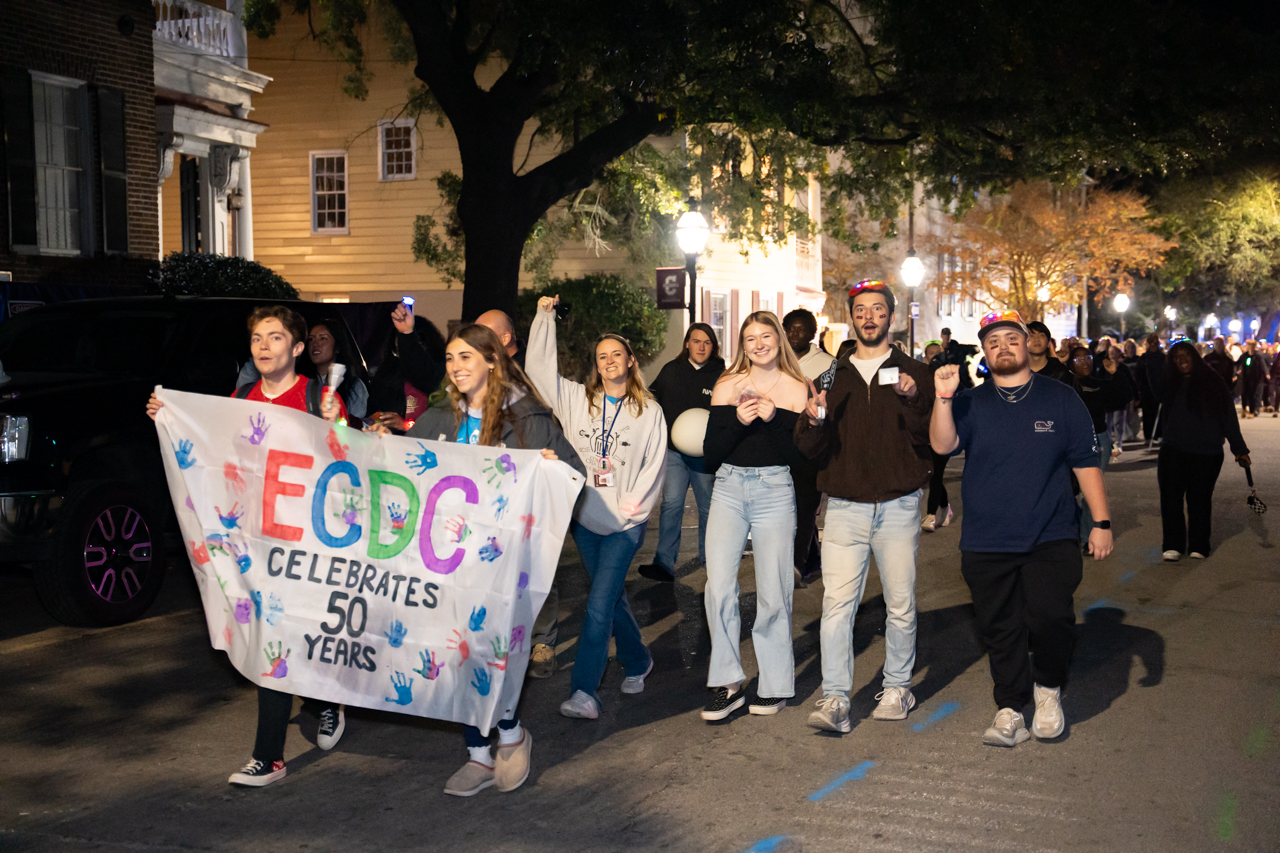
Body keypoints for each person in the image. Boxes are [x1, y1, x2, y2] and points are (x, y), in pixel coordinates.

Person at [147, 306, 349, 787]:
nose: (263, 346)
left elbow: (348, 461)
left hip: (309, 539)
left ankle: (324, 700)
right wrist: (170, 418)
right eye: (257, 337)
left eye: (275, 338)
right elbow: (214, 452)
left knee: (304, 631)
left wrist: (339, 424)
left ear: (297, 349)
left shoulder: (316, 395)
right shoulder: (238, 399)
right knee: (271, 636)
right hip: (255, 540)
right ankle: (269, 756)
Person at [402, 324, 583, 797]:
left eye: (466, 357)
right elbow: (404, 465)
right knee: (458, 651)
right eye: (449, 359)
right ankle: (479, 755)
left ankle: (511, 731)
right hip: (449, 561)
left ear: (492, 361)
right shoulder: (439, 416)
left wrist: (548, 468)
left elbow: (573, 475)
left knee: (494, 652)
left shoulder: (527, 417)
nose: (457, 367)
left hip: (504, 564)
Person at [930, 310, 1113, 748]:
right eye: (993, 343)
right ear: (985, 353)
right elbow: (943, 445)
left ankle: (1048, 690)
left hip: (1050, 533)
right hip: (986, 539)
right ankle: (1010, 705)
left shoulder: (1060, 398)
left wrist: (1101, 522)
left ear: (1029, 344)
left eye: (1011, 339)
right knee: (1000, 626)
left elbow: (1085, 463)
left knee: (1050, 617)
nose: (1003, 348)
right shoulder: (971, 401)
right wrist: (942, 398)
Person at [796, 281, 934, 733]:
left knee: (899, 602)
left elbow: (929, 442)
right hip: (844, 508)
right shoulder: (830, 377)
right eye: (860, 310)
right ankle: (835, 698)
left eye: (878, 309)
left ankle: (897, 686)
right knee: (837, 605)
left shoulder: (914, 372)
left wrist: (915, 400)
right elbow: (809, 450)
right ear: (851, 318)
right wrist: (814, 418)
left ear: (890, 317)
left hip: (898, 506)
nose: (869, 316)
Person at [526, 294, 668, 720]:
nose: (609, 361)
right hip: (586, 519)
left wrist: (633, 510)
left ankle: (585, 690)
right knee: (610, 601)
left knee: (597, 604)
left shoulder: (649, 412)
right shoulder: (577, 401)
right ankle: (639, 659)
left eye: (616, 355)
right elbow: (538, 373)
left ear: (630, 362)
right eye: (602, 356)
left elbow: (655, 464)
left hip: (625, 523)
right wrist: (544, 319)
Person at [700, 311, 809, 721]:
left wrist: (775, 417)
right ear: (741, 344)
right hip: (729, 487)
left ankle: (775, 684)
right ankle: (728, 682)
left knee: (773, 589)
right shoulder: (728, 385)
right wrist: (737, 423)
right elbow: (710, 455)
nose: (759, 343)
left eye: (766, 336)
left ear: (779, 340)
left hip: (775, 489)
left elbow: (801, 459)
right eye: (750, 338)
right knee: (719, 587)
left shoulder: (797, 389)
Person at [640, 324, 725, 583]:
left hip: (705, 455)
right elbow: (651, 398)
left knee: (709, 509)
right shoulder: (671, 370)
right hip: (674, 453)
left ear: (713, 346)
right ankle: (664, 563)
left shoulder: (722, 374)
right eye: (696, 341)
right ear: (687, 343)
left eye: (706, 342)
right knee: (671, 505)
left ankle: (713, 565)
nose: (701, 347)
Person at [1157, 342, 1250, 561]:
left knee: (1199, 499)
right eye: (1176, 357)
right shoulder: (1171, 382)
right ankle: (1173, 544)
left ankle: (1199, 544)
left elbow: (1228, 416)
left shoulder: (1213, 381)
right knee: (1171, 498)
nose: (1181, 360)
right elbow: (1154, 385)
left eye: (1185, 355)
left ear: (1195, 357)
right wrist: (1153, 355)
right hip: (1174, 448)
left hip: (1206, 452)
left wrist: (1239, 449)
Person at [783, 309, 837, 582]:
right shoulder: (774, 360)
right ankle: (812, 556)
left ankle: (796, 563)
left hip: (810, 444)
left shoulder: (828, 365)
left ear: (813, 334)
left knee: (804, 506)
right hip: (780, 443)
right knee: (786, 507)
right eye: (790, 329)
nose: (795, 334)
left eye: (801, 329)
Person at [1066, 345, 1130, 543]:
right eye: (1078, 359)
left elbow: (1123, 397)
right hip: (1069, 441)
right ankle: (1068, 530)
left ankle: (1086, 537)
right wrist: (1058, 364)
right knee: (1066, 490)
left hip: (1098, 439)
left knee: (1090, 491)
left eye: (1088, 358)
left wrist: (1115, 373)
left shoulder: (1098, 383)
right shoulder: (1065, 383)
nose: (1084, 362)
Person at [366, 314, 446, 433]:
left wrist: (407, 425)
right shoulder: (383, 378)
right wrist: (376, 420)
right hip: (391, 443)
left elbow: (442, 426)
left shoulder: (438, 378)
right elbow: (371, 415)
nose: (407, 355)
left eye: (413, 347)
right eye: (400, 349)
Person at [921, 342, 954, 532]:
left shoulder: (951, 377)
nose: (934, 356)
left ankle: (931, 515)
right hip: (925, 432)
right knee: (933, 473)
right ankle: (945, 507)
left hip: (945, 432)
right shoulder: (921, 378)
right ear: (926, 357)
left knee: (935, 472)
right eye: (931, 354)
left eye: (938, 353)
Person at [306, 322, 369, 419]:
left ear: (337, 347)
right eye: (311, 339)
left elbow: (356, 424)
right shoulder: (304, 382)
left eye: (323, 338)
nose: (315, 343)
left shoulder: (353, 386)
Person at [1136, 334, 1166, 445]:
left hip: (1160, 390)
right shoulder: (1143, 358)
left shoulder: (1163, 358)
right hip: (1147, 391)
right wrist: (1140, 388)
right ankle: (1148, 436)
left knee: (1160, 414)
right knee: (1147, 414)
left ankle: (1160, 435)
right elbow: (1138, 375)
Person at [1238, 339, 1266, 418]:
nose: (1250, 347)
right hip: (1244, 378)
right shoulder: (1244, 356)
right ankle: (1244, 408)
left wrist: (1262, 377)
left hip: (1254, 379)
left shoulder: (1257, 357)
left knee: (1252, 395)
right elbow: (1238, 363)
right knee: (1244, 394)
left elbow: (1261, 367)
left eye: (1252, 346)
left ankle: (1251, 412)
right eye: (1249, 346)